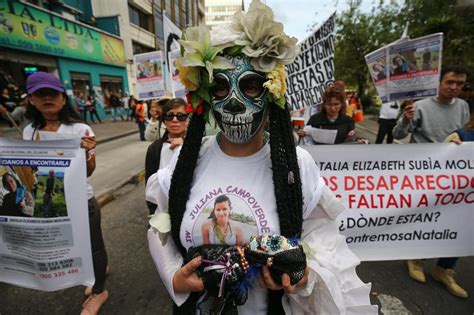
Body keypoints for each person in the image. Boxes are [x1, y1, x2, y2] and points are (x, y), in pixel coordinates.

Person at [146, 1, 376, 314]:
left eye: (250, 85)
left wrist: (302, 274)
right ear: (205, 97)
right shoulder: (188, 161)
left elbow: (326, 245)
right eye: (220, 87)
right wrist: (174, 277)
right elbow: (161, 228)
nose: (235, 104)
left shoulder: (296, 165)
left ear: (271, 93)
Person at [23, 72, 109, 313]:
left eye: (53, 93)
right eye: (41, 94)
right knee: (70, 246)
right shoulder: (28, 132)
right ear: (31, 99)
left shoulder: (80, 129)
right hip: (49, 203)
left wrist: (86, 153)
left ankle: (99, 291)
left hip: (81, 202)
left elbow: (89, 171)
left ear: (63, 98)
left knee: (94, 248)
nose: (47, 98)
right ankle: (94, 274)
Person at [393, 65, 470, 298]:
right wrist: (406, 120)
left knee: (458, 218)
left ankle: (444, 268)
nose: (454, 88)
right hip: (425, 172)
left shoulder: (464, 107)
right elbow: (398, 135)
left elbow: (465, 135)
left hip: (455, 174)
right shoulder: (420, 107)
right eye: (450, 82)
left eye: (459, 84)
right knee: (427, 216)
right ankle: (417, 258)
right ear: (439, 82)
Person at [144, 98, 188, 214]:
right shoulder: (154, 149)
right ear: (164, 120)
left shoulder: (199, 145)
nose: (174, 120)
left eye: (181, 116)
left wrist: (186, 144)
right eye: (169, 116)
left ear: (188, 120)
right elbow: (150, 186)